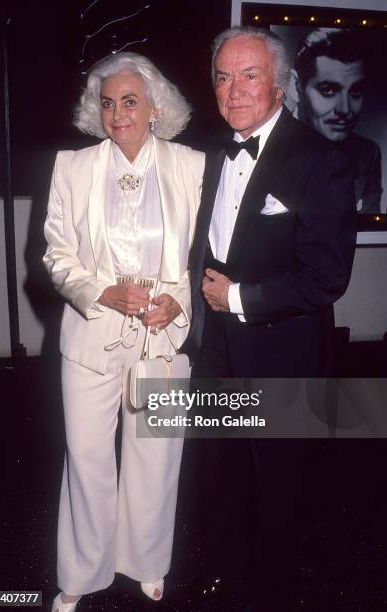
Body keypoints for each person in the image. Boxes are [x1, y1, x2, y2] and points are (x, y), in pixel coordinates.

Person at [182, 26, 356, 611]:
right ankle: (222, 576)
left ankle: (273, 591)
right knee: (220, 471)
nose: (234, 91)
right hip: (216, 352)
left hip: (281, 353)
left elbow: (326, 277)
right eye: (223, 77)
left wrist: (237, 298)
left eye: (249, 75)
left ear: (280, 85)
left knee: (278, 483)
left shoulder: (321, 160)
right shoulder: (206, 151)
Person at [43, 51, 204, 612]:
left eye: (130, 102)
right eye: (108, 104)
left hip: (161, 338)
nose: (117, 115)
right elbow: (58, 255)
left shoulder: (191, 166)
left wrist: (176, 304)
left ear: (155, 107)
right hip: (90, 339)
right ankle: (82, 572)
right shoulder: (73, 167)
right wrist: (99, 292)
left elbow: (201, 257)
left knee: (155, 456)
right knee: (86, 456)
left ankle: (146, 561)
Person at [291, 28, 382, 213]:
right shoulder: (266, 143)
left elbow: (366, 230)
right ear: (295, 86)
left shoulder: (367, 155)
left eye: (355, 91)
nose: (345, 110)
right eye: (329, 90)